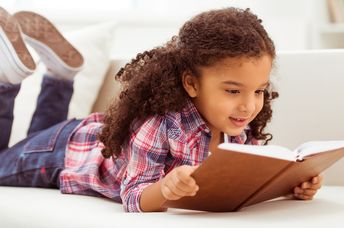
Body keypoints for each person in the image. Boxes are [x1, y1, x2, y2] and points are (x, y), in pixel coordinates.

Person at [0, 6, 323, 212]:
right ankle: (9, 80)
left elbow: (243, 183)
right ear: (191, 84)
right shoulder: (160, 126)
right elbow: (133, 197)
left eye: (259, 91)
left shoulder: (237, 127)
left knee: (35, 135)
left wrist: (290, 185)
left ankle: (61, 76)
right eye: (233, 90)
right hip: (64, 153)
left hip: (71, 138)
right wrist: (164, 190)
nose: (248, 105)